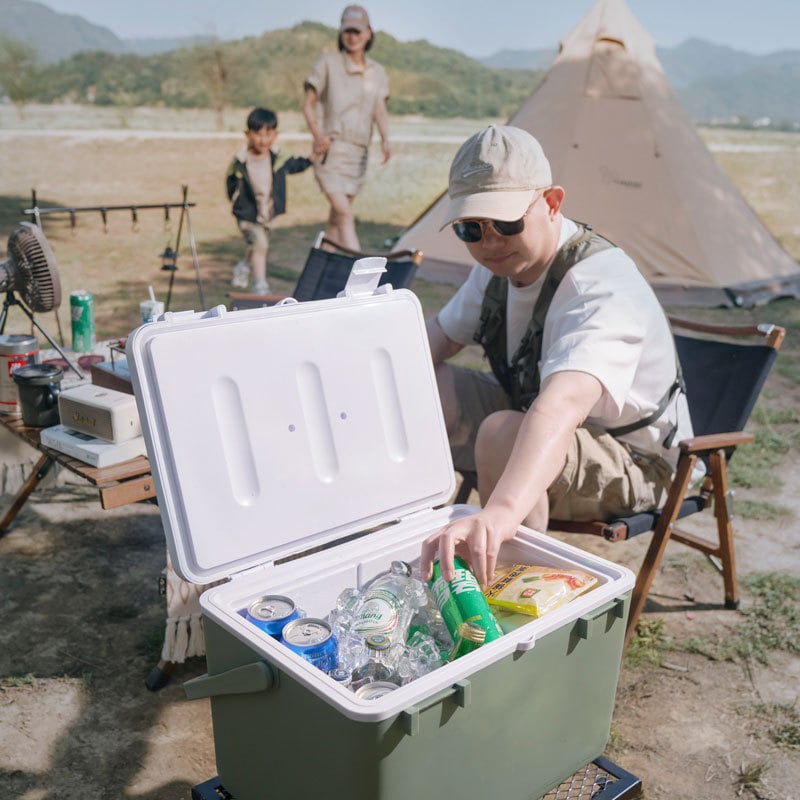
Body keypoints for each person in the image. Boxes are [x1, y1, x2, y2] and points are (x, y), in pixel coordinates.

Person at [419, 124, 693, 589]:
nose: (490, 242)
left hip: (636, 462)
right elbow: (437, 340)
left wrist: (501, 511)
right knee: (425, 386)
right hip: (537, 422)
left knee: (502, 432)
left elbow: (562, 405)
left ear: (551, 203)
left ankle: (509, 582)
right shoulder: (499, 268)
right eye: (471, 228)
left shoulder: (598, 284)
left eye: (507, 223)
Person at [302, 4, 390, 251]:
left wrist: (385, 139)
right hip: (330, 150)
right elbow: (307, 105)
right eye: (348, 31)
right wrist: (317, 135)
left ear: (368, 33)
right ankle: (358, 262)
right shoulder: (327, 64)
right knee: (345, 215)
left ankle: (320, 268)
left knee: (336, 220)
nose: (352, 37)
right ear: (341, 33)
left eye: (357, 31)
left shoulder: (377, 72)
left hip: (358, 153)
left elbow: (380, 109)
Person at [226, 107, 313, 294]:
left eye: (268, 134)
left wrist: (311, 159)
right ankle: (260, 286)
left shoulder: (277, 157)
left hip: (269, 213)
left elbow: (294, 165)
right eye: (258, 134)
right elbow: (230, 181)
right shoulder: (241, 160)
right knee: (261, 244)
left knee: (258, 245)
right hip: (248, 214)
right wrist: (235, 201)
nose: (263, 140)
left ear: (275, 135)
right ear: (248, 134)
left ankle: (243, 266)